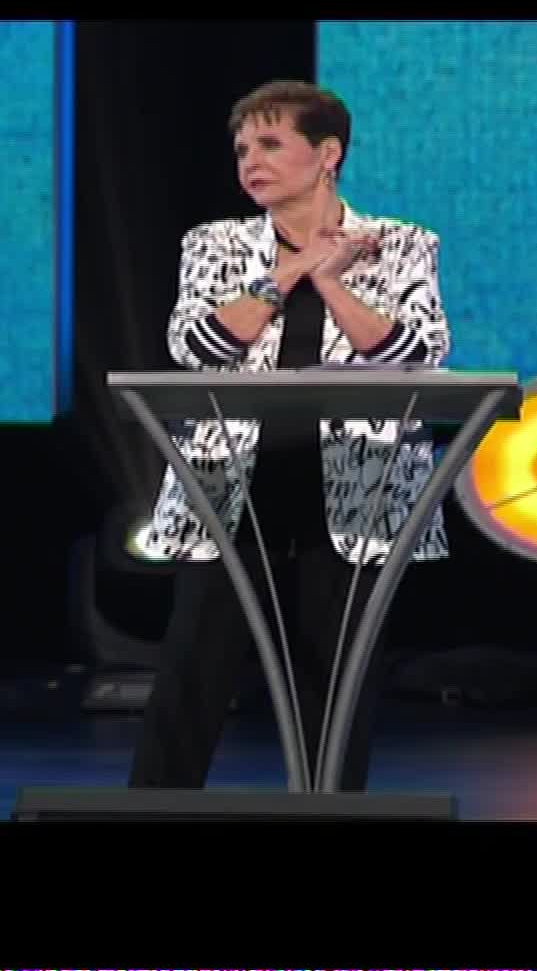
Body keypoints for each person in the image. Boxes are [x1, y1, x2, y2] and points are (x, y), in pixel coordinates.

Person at [129, 80, 452, 791]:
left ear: (327, 153)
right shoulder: (213, 244)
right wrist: (292, 270)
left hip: (355, 500)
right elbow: (198, 344)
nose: (251, 160)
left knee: (333, 699)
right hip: (229, 498)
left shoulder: (399, 245)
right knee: (190, 684)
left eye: (271, 144)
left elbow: (413, 351)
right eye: (242, 148)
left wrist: (331, 279)